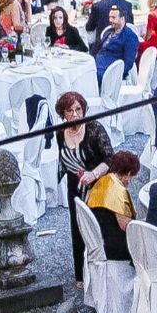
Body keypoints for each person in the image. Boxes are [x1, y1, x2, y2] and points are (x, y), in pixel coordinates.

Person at [56, 90, 116, 283]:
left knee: (98, 227)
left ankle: (102, 271)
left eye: (78, 109)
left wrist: (93, 174)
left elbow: (110, 158)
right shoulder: (60, 133)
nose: (75, 114)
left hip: (98, 185)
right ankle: (80, 275)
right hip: (74, 186)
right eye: (70, 111)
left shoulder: (94, 129)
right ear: (63, 114)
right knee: (77, 227)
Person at [87, 150, 141, 264]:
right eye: (132, 177)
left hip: (98, 238)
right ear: (128, 173)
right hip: (113, 246)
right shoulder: (118, 191)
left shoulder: (102, 180)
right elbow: (126, 226)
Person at [92, 4, 140, 82]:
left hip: (109, 72)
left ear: (122, 19)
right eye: (110, 17)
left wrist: (113, 74)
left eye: (113, 17)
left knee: (90, 77)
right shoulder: (108, 31)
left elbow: (128, 64)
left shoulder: (130, 36)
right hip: (97, 65)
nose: (110, 20)